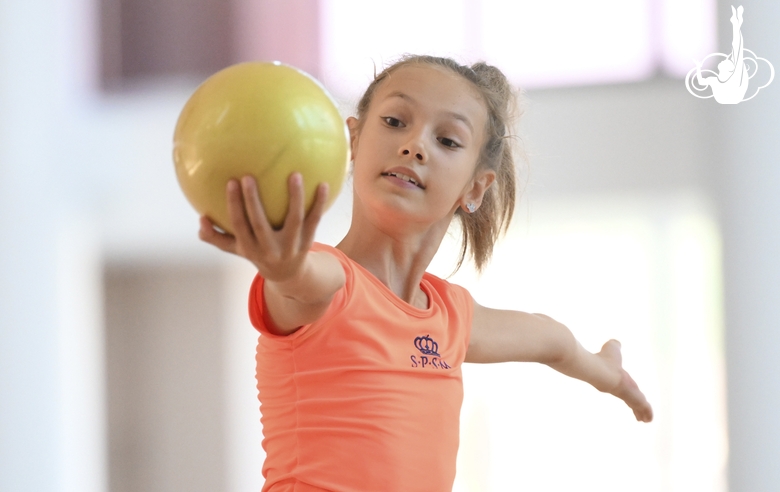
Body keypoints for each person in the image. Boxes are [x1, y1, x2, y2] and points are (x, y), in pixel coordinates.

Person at [199, 55, 653, 492]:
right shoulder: (331, 280)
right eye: (396, 121)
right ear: (352, 141)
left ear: (475, 187)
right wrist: (284, 264)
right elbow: (300, 283)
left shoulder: (450, 317)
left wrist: (605, 372)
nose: (414, 145)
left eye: (448, 140)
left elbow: (550, 340)